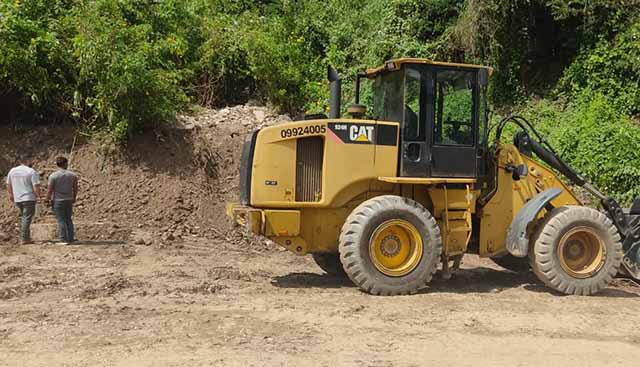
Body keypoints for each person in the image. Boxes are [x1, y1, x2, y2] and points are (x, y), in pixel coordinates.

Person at [6, 157, 41, 244]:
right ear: (27, 161)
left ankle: (27, 237)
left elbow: (8, 184)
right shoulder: (31, 171)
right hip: (28, 198)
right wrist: (38, 196)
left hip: (18, 198)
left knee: (24, 217)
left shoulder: (12, 171)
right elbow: (35, 186)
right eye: (31, 160)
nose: (33, 162)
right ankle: (24, 238)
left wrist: (11, 194)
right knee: (27, 218)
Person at [46, 156, 78, 245]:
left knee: (61, 219)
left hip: (58, 200)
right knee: (68, 219)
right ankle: (71, 238)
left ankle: (63, 239)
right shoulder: (72, 175)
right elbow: (75, 188)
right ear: (65, 164)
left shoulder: (53, 176)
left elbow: (50, 189)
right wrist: (74, 197)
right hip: (68, 199)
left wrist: (47, 199)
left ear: (57, 164)